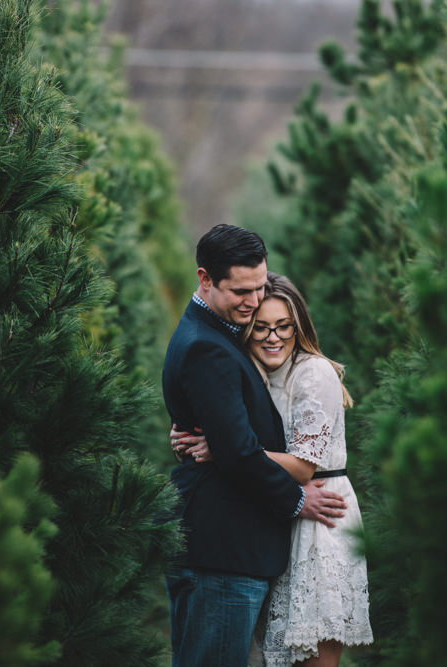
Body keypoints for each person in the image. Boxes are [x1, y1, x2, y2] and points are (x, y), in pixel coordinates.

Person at [162, 225, 347, 667]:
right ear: (205, 279)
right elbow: (239, 452)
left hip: (229, 548)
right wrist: (298, 499)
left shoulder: (223, 337)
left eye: (260, 287)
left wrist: (222, 445)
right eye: (241, 291)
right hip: (223, 551)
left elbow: (231, 442)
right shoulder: (209, 347)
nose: (253, 300)